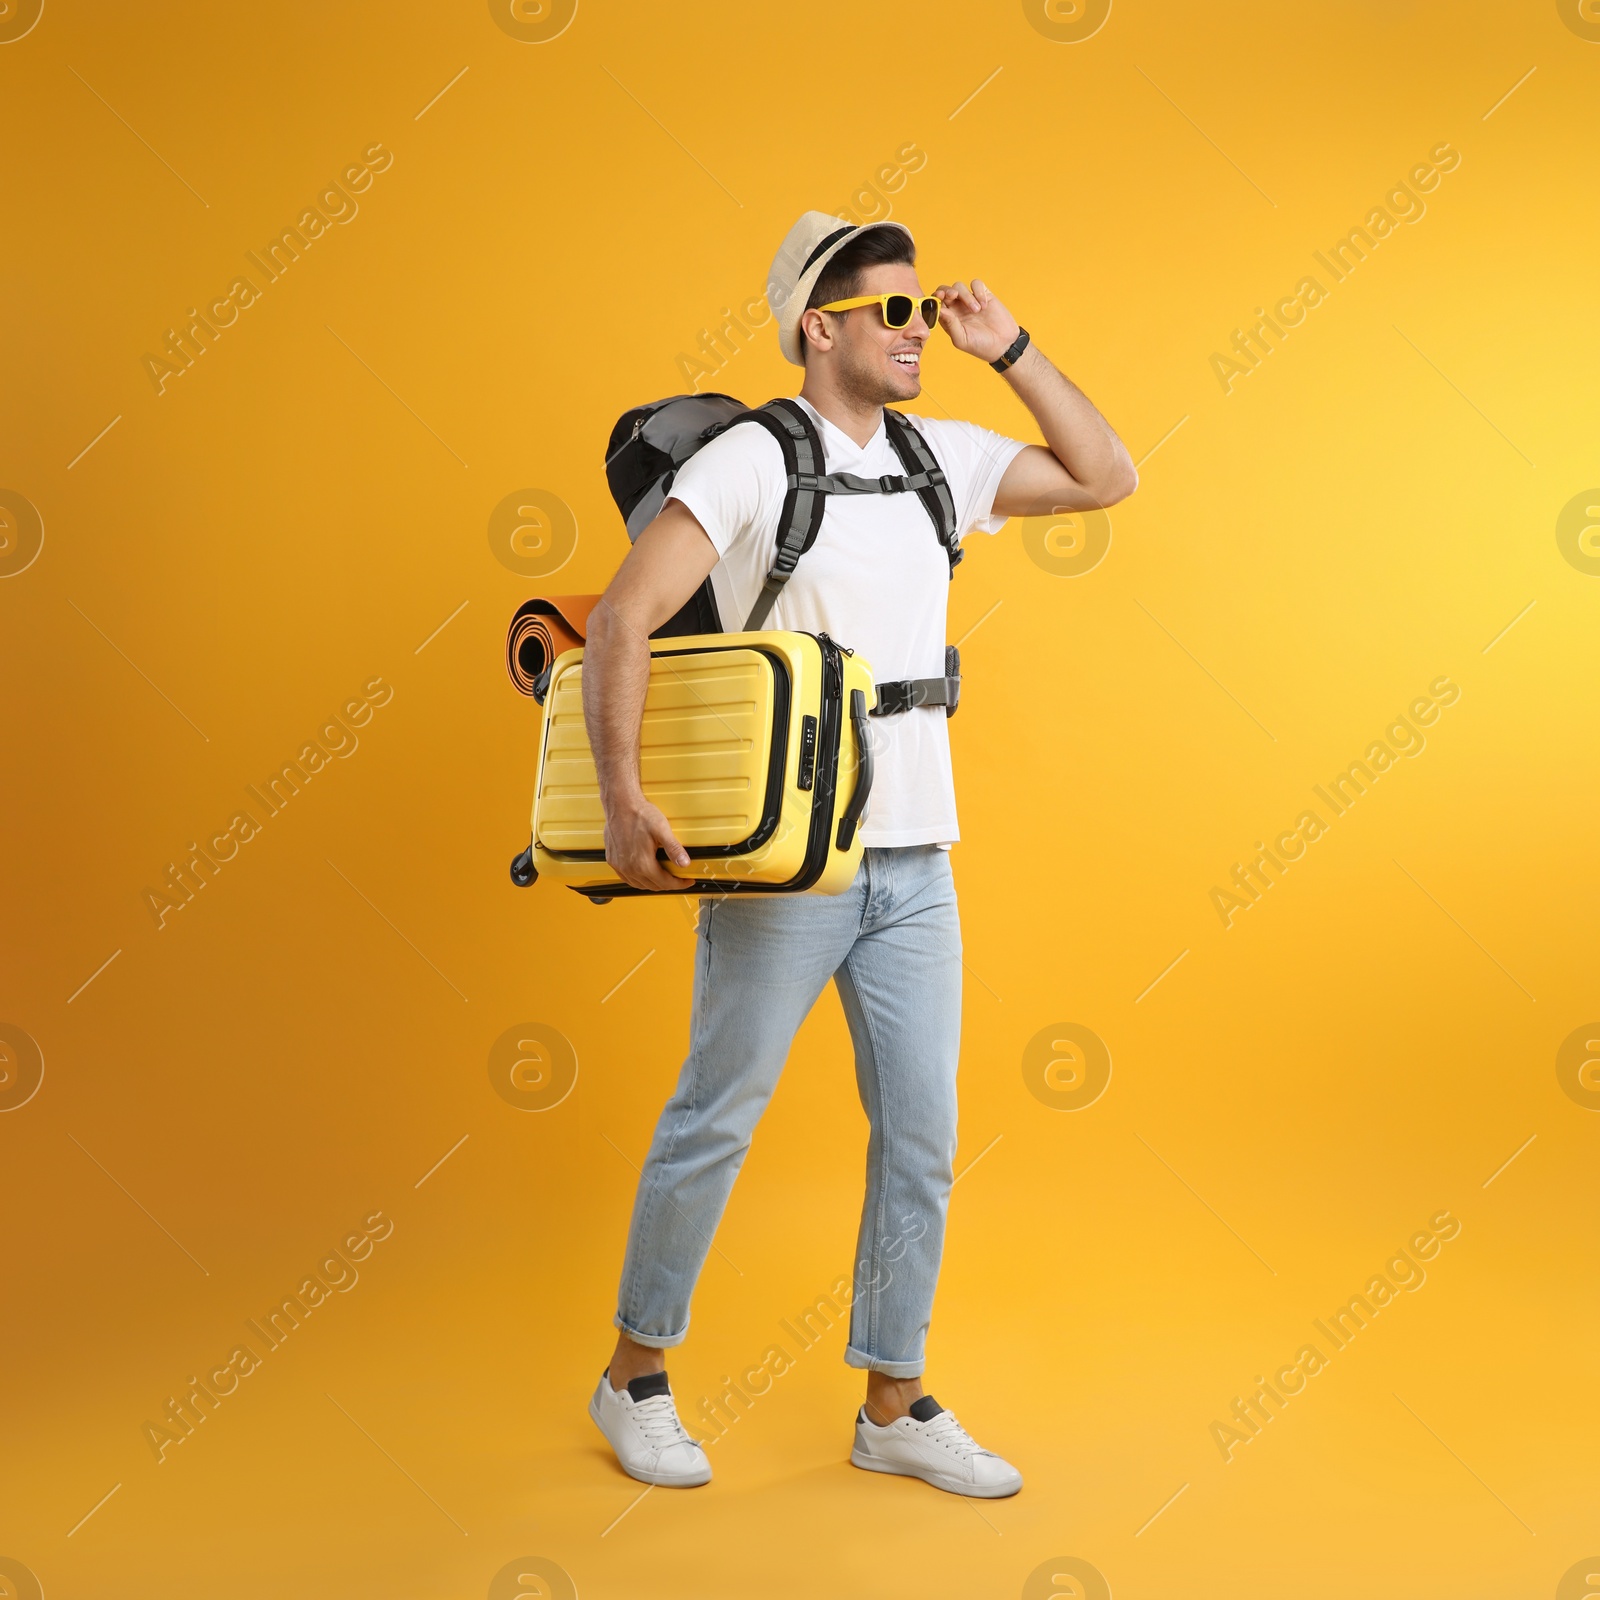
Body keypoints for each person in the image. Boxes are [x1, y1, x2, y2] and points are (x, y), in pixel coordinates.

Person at [582, 211, 1138, 1498]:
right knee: (716, 1117)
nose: (916, 331)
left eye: (920, 309)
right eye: (892, 312)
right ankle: (631, 1378)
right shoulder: (747, 460)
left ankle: (893, 1401)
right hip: (790, 861)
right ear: (816, 328)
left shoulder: (941, 457)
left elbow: (1106, 475)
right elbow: (620, 616)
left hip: (916, 862)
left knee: (921, 1136)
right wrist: (620, 795)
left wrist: (1015, 351)